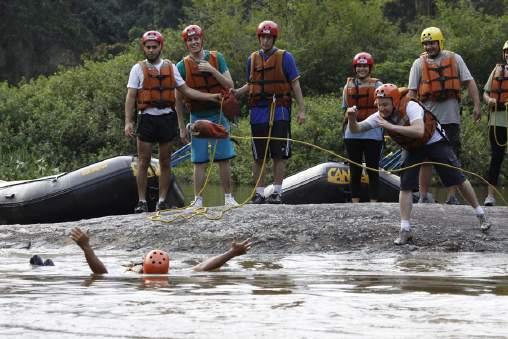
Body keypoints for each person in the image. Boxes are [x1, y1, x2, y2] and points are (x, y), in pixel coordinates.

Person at [347, 83, 492, 245]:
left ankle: (481, 215)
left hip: (434, 141)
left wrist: (390, 126)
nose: (382, 109)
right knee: (405, 185)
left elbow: (418, 131)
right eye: (379, 105)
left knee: (457, 178)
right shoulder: (378, 117)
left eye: (386, 105)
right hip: (413, 147)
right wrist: (352, 118)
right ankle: (405, 229)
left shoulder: (411, 106)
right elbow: (356, 129)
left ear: (395, 102)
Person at [125, 30, 221, 213]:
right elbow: (130, 97)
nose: (151, 50)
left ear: (161, 46)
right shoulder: (137, 69)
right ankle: (142, 201)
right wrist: (128, 122)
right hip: (146, 118)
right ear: (143, 48)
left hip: (166, 118)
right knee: (143, 161)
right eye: (148, 47)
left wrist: (212, 97)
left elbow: (187, 90)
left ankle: (162, 201)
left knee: (165, 161)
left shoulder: (171, 67)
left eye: (155, 47)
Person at [408, 27, 482, 204]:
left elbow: (469, 82)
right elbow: (411, 93)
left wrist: (477, 105)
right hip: (427, 121)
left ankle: (451, 196)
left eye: (432, 43)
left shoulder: (455, 59)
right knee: (425, 159)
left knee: (451, 158)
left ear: (440, 42)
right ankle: (424, 196)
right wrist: (409, 119)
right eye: (425, 44)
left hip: (451, 119)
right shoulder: (418, 64)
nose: (429, 47)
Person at [234, 20, 305, 204]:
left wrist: (301, 110)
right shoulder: (252, 59)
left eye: (269, 37)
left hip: (279, 108)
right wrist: (235, 93)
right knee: (259, 155)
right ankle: (259, 193)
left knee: (278, 154)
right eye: (263, 37)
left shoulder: (285, 57)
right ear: (259, 38)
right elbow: (251, 84)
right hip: (258, 110)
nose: (265, 41)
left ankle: (277, 192)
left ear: (273, 38)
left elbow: (295, 83)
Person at [175, 25, 238, 208]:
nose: (194, 42)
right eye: (190, 40)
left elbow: (230, 85)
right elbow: (178, 100)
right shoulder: (182, 66)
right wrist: (181, 127)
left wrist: (212, 70)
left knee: (224, 158)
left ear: (202, 39)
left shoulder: (217, 58)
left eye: (196, 39)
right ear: (186, 43)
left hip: (218, 115)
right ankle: (198, 201)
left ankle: (228, 198)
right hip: (197, 117)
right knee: (199, 160)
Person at [70, 227, 252, 274]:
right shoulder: (168, 273)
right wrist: (231, 254)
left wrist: (86, 247)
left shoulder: (132, 273)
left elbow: (101, 272)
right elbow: (203, 267)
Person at [342, 52, 383, 202]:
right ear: (355, 68)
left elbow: (384, 108)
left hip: (373, 134)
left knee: (373, 168)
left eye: (365, 66)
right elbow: (344, 109)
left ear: (370, 67)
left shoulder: (378, 85)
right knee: (355, 169)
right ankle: (355, 201)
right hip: (352, 134)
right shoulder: (348, 86)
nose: (362, 69)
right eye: (359, 66)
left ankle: (373, 201)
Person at [482, 40, 508, 206]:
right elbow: (485, 93)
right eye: (507, 52)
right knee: (496, 158)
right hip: (497, 121)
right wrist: (489, 99)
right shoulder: (497, 70)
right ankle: (490, 196)